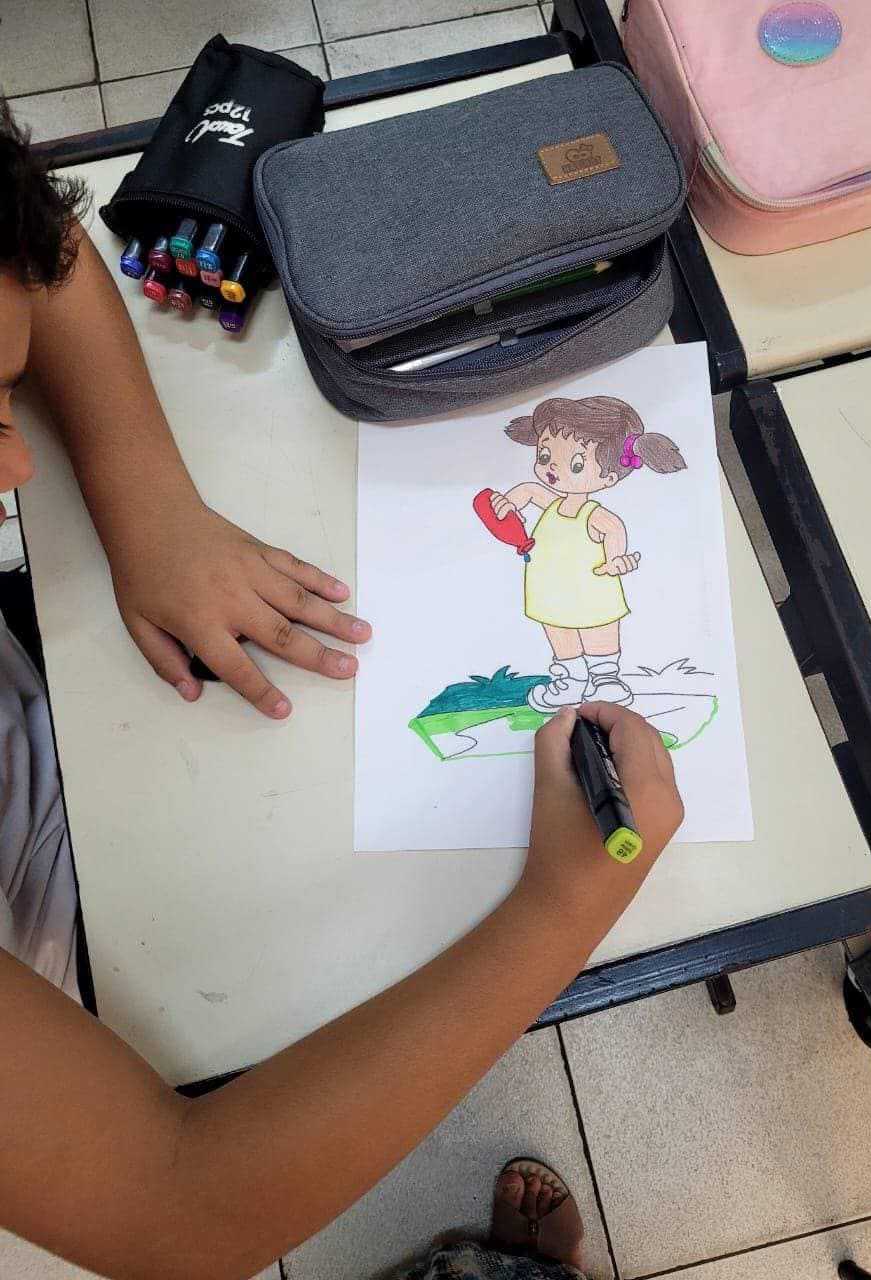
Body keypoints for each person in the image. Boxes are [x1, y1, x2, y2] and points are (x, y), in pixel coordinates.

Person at [0, 97, 683, 1279]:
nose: (15, 465)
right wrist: (565, 903)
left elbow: (41, 262)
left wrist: (147, 502)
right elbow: (178, 1207)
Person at [489, 396, 686, 712]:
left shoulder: (591, 513)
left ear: (608, 478)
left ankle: (606, 679)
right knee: (558, 631)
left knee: (598, 630)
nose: (552, 468)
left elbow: (613, 528)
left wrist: (616, 559)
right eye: (545, 455)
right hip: (550, 592)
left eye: (576, 465)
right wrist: (509, 501)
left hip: (590, 590)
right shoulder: (553, 503)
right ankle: (570, 681)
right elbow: (528, 490)